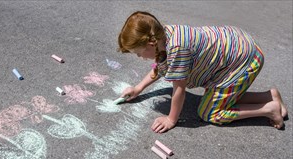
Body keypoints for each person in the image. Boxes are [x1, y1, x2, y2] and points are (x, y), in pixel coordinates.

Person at [117, 11, 288, 133]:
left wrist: (171, 119)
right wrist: (138, 88)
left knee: (210, 113)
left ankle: (268, 109)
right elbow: (160, 67)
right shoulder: (163, 35)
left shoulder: (177, 49)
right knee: (216, 97)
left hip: (243, 60)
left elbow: (179, 89)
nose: (140, 57)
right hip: (236, 45)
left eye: (139, 53)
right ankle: (269, 96)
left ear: (151, 44)